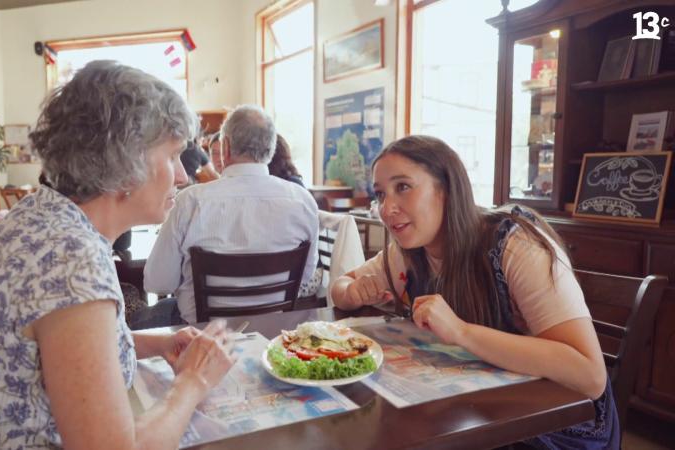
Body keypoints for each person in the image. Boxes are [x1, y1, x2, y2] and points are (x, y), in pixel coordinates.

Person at [0, 61, 235, 449]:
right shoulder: (71, 262)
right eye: (173, 155)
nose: (183, 176)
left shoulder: (42, 219)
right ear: (125, 163)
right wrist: (193, 382)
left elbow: (57, 351)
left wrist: (157, 345)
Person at [330, 135, 619, 449]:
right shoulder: (410, 249)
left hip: (556, 425)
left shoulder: (515, 244)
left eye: (403, 187)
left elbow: (589, 375)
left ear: (448, 189)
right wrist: (354, 291)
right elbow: (340, 287)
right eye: (380, 194)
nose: (387, 209)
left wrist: (462, 332)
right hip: (472, 409)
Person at [143, 105, 319, 326]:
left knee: (140, 317)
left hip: (200, 334)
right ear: (271, 149)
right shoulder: (302, 202)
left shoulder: (190, 202)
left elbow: (158, 283)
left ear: (224, 147)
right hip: (273, 334)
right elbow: (305, 277)